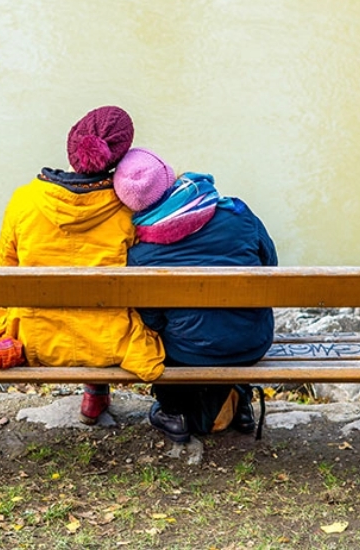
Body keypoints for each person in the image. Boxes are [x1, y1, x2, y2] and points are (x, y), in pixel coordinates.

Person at [0, 107, 165, 424]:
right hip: (114, 341)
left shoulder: (24, 201)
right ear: (120, 158)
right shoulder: (129, 212)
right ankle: (96, 393)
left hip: (36, 340)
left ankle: (94, 394)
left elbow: (4, 276)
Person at [113, 148, 278, 443]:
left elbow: (151, 320)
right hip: (253, 343)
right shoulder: (238, 214)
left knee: (156, 333)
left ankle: (173, 411)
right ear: (170, 177)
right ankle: (239, 401)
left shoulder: (140, 255)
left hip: (189, 354)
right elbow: (271, 267)